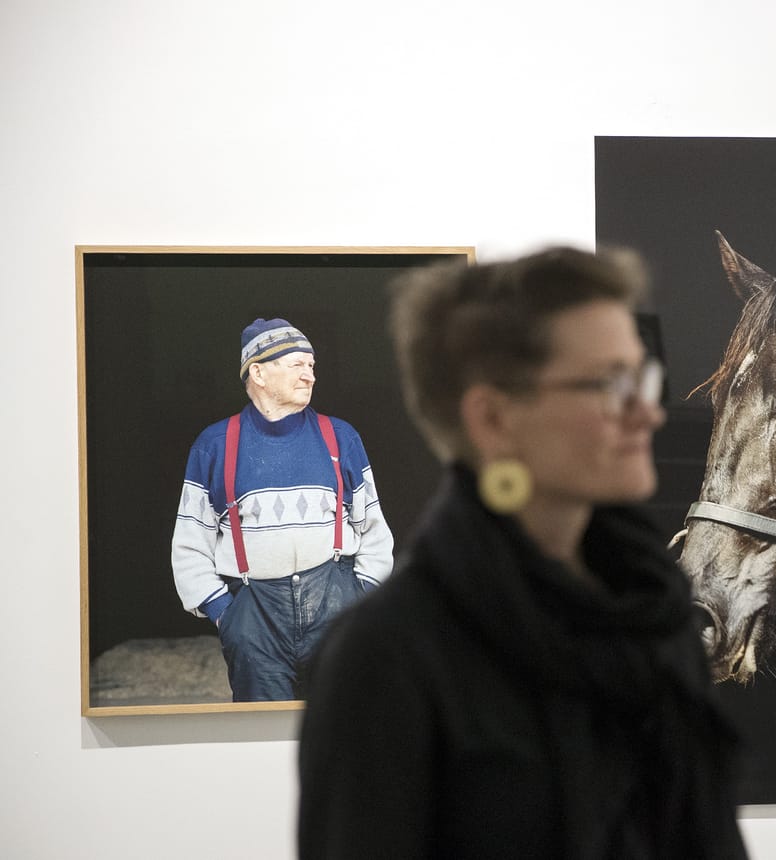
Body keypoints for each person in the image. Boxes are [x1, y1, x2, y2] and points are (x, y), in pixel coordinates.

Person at [297, 248, 747, 858]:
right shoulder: (387, 657)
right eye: (609, 384)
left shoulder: (653, 612)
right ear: (495, 418)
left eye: (643, 375)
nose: (648, 411)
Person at [171, 318, 394, 701]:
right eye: (297, 365)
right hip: (255, 617)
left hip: (336, 608)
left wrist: (360, 597)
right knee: (261, 742)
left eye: (312, 367)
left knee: (342, 733)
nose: (309, 376)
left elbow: (374, 530)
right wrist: (228, 615)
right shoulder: (215, 445)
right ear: (257, 372)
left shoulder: (340, 437)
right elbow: (190, 545)